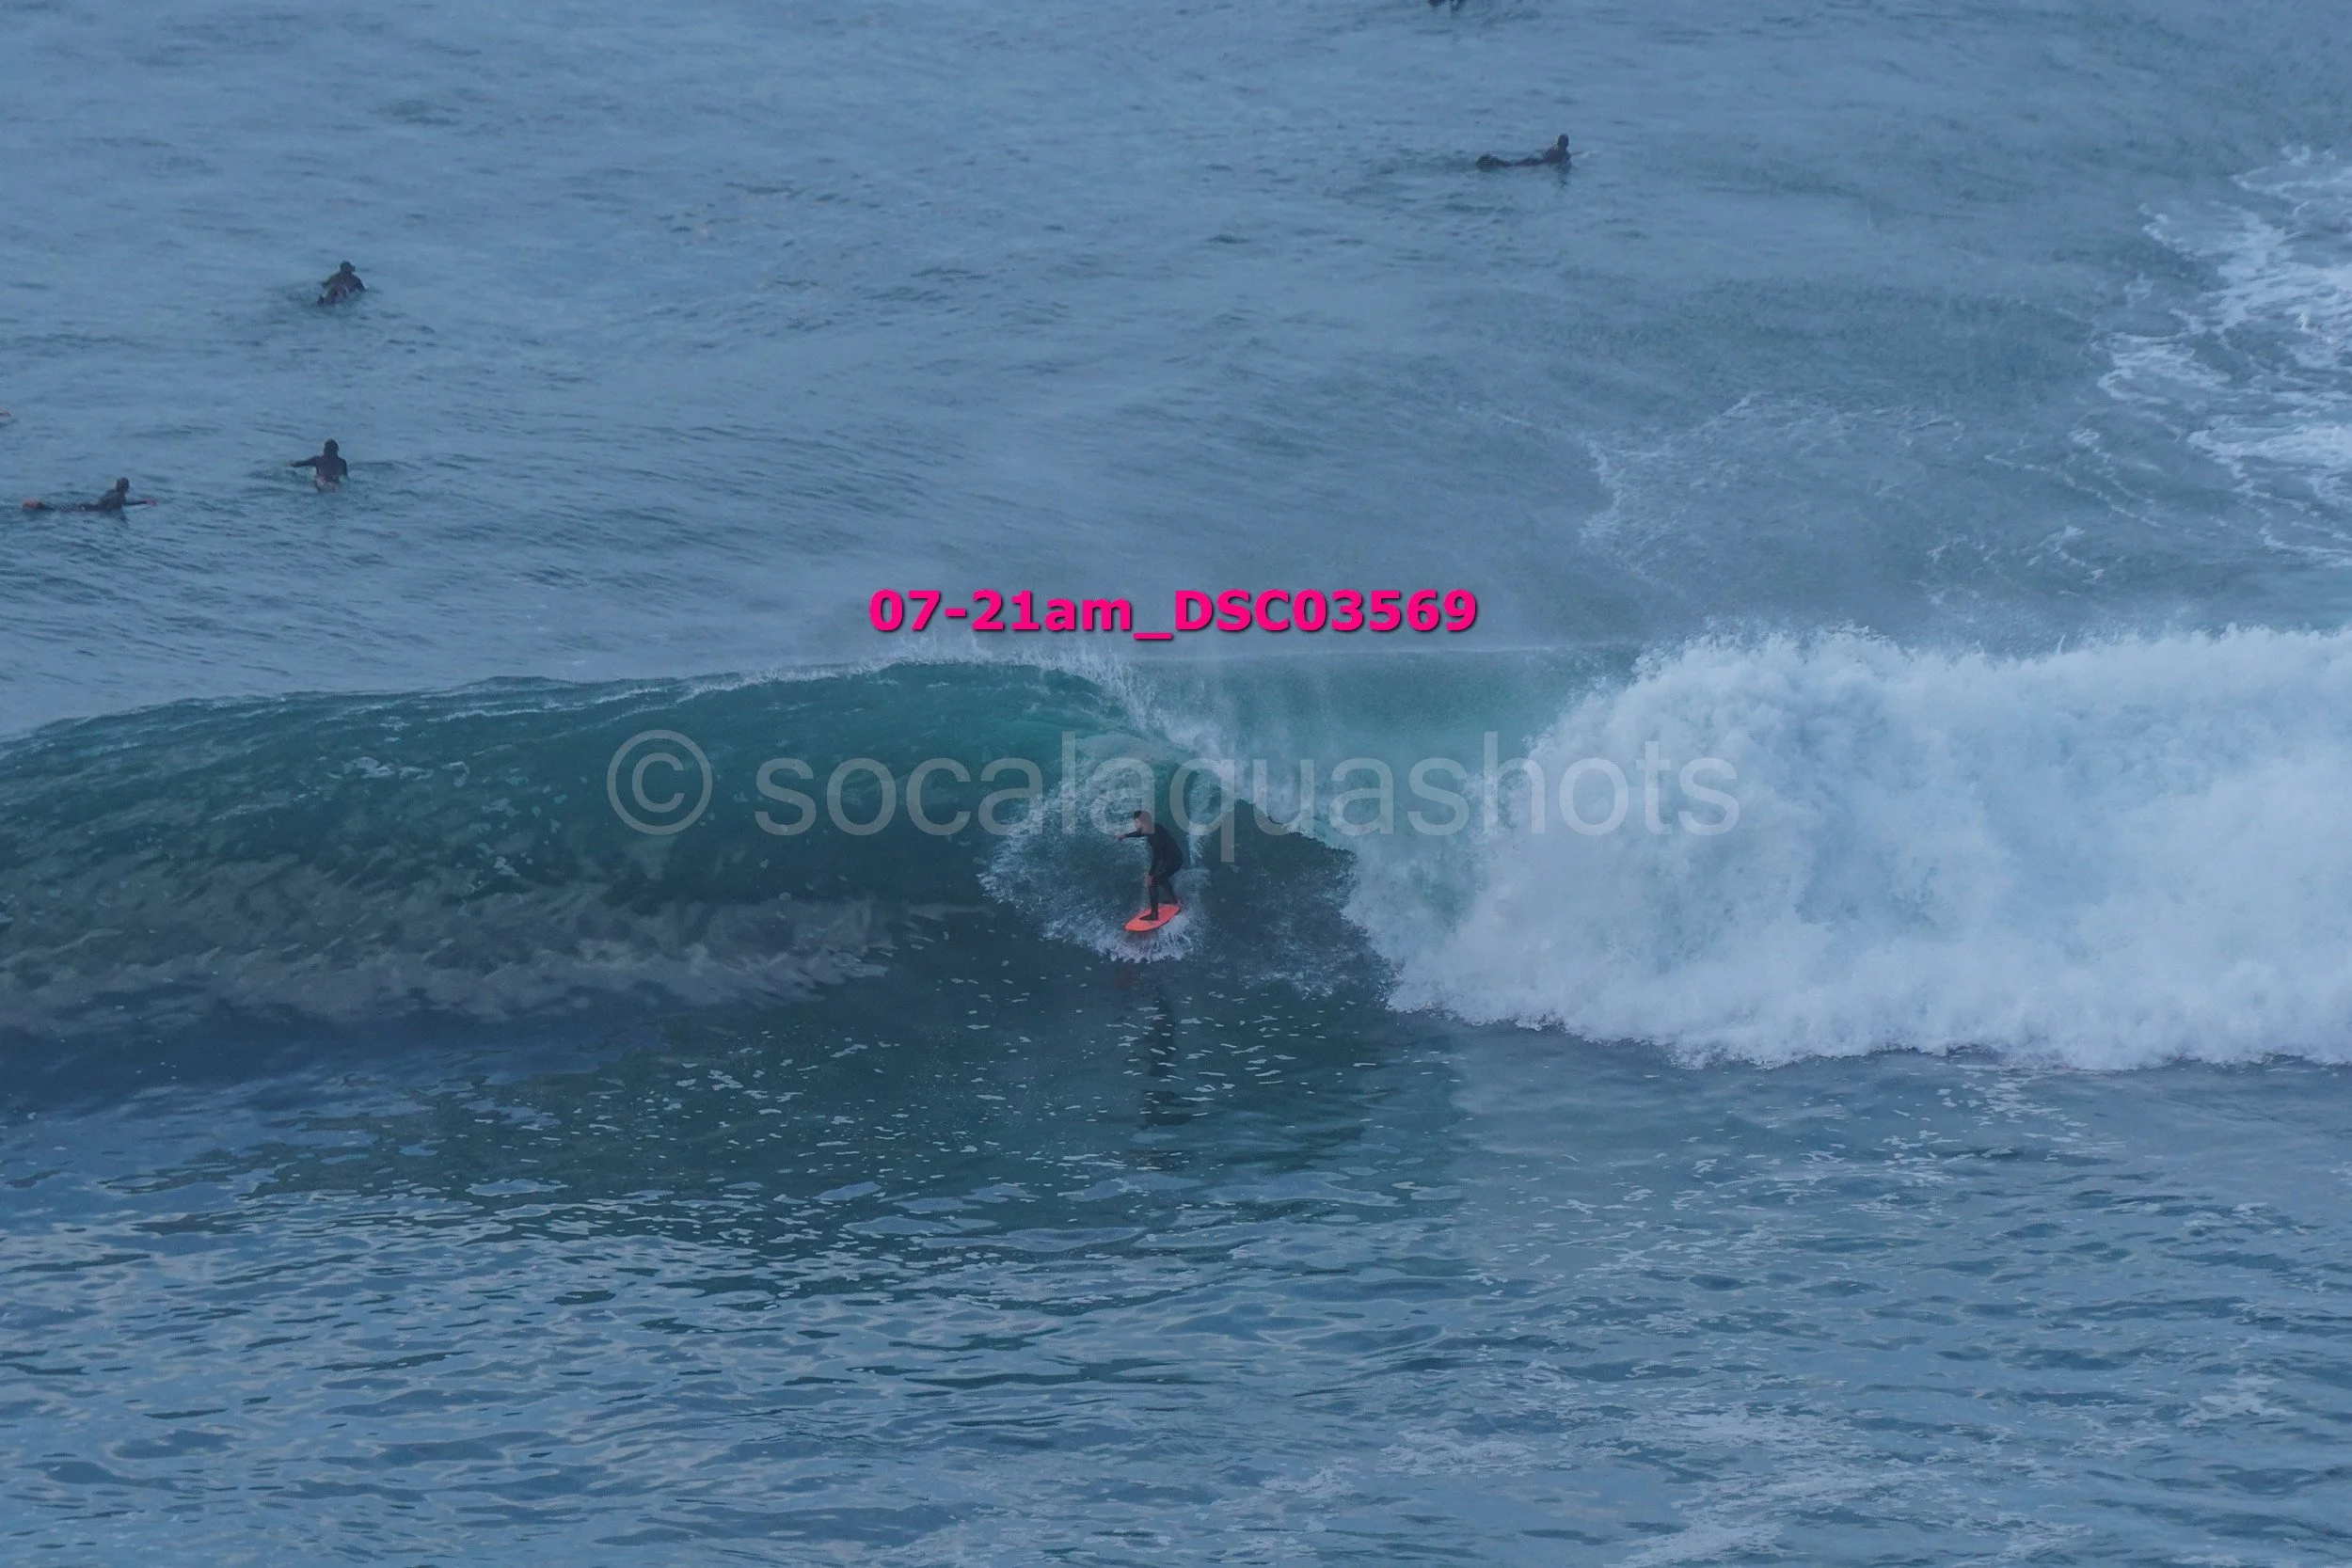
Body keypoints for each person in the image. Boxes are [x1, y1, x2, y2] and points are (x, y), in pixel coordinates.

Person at [1120, 810, 1185, 920]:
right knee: (1161, 878)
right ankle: (1174, 901)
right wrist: (1125, 835)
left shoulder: (1155, 837)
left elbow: (1157, 858)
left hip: (1172, 861)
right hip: (1175, 857)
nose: (1135, 824)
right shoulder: (1152, 827)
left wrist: (1150, 875)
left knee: (1153, 882)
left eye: (1136, 822)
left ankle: (1154, 915)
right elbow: (1140, 833)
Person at [24, 478, 133, 515]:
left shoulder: (111, 492)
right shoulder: (120, 497)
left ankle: (38, 505)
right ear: (126, 488)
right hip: (91, 511)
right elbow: (108, 510)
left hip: (89, 505)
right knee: (57, 512)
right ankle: (39, 506)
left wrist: (144, 502)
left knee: (60, 509)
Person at [1477, 134, 1571, 171]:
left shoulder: (1553, 148)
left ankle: (1492, 160)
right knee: (1511, 166)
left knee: (1512, 164)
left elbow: (1544, 154)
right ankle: (1493, 161)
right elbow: (1559, 165)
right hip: (1537, 163)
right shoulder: (1563, 154)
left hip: (1534, 160)